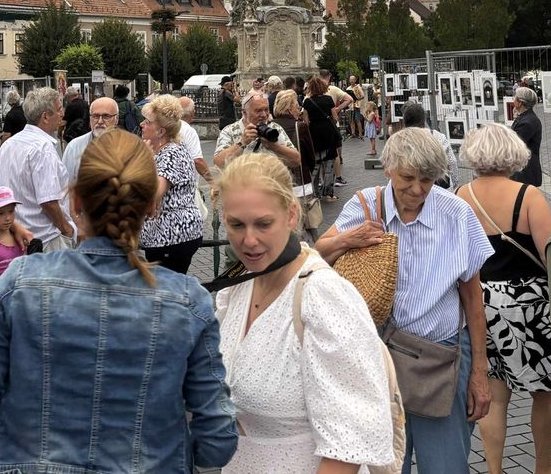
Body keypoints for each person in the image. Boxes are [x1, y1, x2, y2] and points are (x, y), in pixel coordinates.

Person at [0, 130, 239, 473]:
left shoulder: (21, 282)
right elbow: (216, 442)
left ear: (74, 201)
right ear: (152, 205)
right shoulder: (187, 300)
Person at [314, 127, 495, 473]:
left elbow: (474, 301)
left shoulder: (456, 214)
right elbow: (317, 255)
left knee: (444, 466)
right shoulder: (366, 203)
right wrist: (346, 239)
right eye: (408, 178)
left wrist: (479, 373)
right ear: (389, 168)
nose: (417, 189)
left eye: (427, 180)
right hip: (377, 358)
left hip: (439, 359)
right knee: (384, 464)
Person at [212, 152, 394, 473]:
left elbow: (347, 445)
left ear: (292, 215)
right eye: (236, 224)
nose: (248, 239)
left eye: (263, 223)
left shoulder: (323, 297)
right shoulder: (235, 290)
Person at [455, 123, 551, 474]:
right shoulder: (528, 196)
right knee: (545, 393)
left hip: (480, 302)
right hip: (529, 302)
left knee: (495, 396)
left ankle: (494, 468)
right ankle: (543, 468)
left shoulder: (460, 195)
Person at [0, 87, 76, 251]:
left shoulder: (9, 145)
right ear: (45, 116)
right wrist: (67, 229)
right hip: (46, 239)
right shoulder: (42, 148)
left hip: (18, 235)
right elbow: (48, 200)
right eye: (59, 109)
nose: (62, 114)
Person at [139, 95, 205, 274]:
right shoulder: (162, 150)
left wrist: (145, 161)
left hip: (172, 236)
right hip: (164, 236)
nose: (142, 125)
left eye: (147, 122)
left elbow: (153, 193)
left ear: (160, 131)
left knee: (167, 291)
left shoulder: (171, 153)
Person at [272, 89, 319, 240]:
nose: (299, 108)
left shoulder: (270, 128)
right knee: (304, 223)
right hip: (300, 182)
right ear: (290, 107)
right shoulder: (301, 126)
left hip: (278, 182)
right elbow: (311, 156)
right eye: (297, 106)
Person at [214, 92, 300, 170]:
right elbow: (218, 163)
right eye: (258, 111)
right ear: (244, 112)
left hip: (270, 185)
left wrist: (273, 146)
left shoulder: (275, 128)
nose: (264, 115)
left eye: (266, 110)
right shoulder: (230, 131)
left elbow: (296, 161)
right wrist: (242, 143)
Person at [401, 102, 460, 190]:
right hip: (440, 187)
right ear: (423, 120)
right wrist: (454, 183)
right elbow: (452, 162)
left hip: (412, 190)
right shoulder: (439, 137)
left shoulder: (399, 141)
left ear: (404, 122)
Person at [302, 78, 340, 202]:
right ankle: (328, 193)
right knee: (329, 163)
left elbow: (306, 121)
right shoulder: (328, 99)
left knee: (316, 163)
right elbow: (335, 118)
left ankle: (314, 193)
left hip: (314, 134)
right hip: (328, 134)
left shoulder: (307, 101)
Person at [62, 97, 119, 181]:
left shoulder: (130, 147)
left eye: (106, 116)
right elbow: (65, 183)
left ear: (116, 119)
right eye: (95, 116)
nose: (100, 121)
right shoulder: (74, 147)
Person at [509, 87, 543, 186]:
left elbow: (513, 144)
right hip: (522, 170)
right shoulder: (524, 118)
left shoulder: (528, 122)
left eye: (514, 98)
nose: (513, 100)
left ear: (520, 103)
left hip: (525, 172)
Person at [177, 96, 212, 183]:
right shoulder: (189, 131)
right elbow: (197, 161)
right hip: (185, 184)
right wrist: (212, 181)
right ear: (192, 113)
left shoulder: (166, 126)